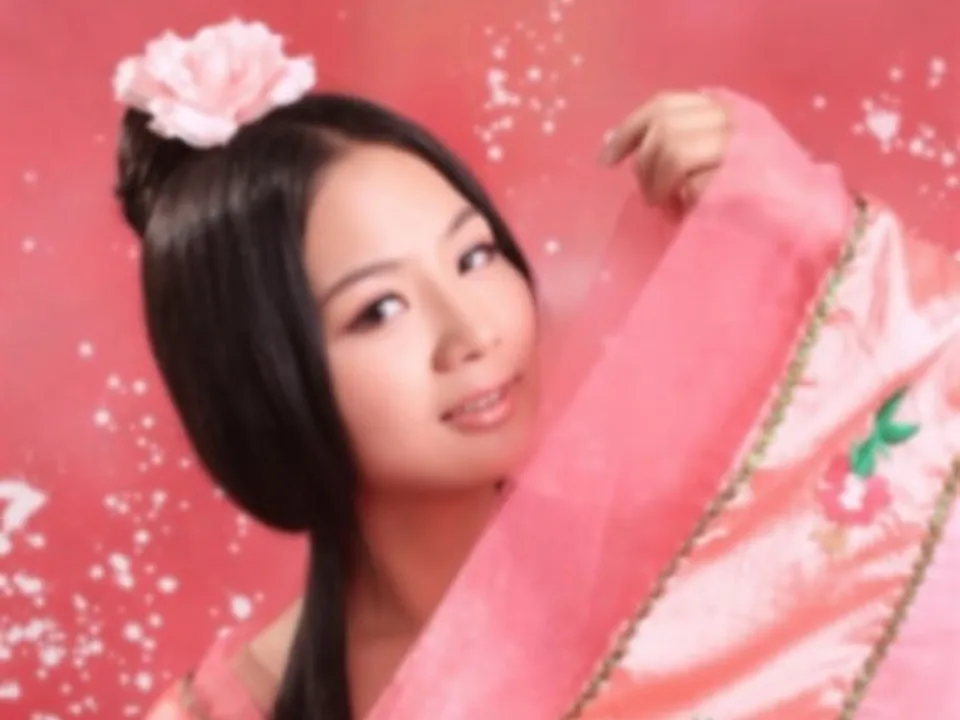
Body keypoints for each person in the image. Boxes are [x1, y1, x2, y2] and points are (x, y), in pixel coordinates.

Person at [114, 18, 960, 720]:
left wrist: (799, 227)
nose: (472, 333)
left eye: (475, 256)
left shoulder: (704, 553)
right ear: (260, 378)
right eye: (379, 310)